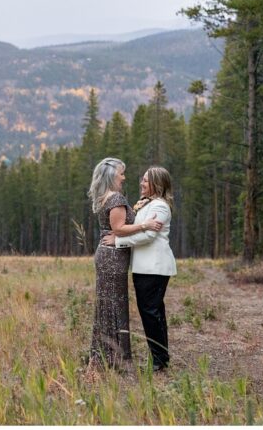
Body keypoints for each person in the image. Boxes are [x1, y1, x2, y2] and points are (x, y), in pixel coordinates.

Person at [87, 157, 163, 370]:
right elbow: (119, 228)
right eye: (121, 173)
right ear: (112, 175)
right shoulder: (116, 198)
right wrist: (145, 225)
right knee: (114, 303)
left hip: (109, 254)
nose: (124, 177)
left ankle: (105, 353)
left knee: (108, 302)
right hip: (113, 256)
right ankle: (114, 356)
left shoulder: (106, 197)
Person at [102, 165, 177, 372]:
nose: (141, 183)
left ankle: (159, 361)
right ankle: (161, 357)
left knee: (150, 313)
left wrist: (118, 240)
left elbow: (148, 236)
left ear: (157, 184)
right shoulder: (148, 205)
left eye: (146, 180)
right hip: (146, 267)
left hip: (154, 267)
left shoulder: (160, 207)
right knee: (153, 312)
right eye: (142, 179)